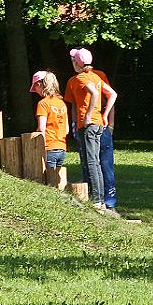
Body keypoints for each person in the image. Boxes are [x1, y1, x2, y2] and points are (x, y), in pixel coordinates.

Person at [63, 48, 117, 214]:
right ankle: (99, 200)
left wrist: (88, 115)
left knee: (92, 162)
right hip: (97, 123)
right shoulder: (95, 76)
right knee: (94, 161)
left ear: (76, 63)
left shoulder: (80, 78)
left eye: (73, 60)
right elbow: (113, 94)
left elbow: (94, 93)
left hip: (89, 125)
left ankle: (98, 201)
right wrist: (104, 115)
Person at [29, 70, 68, 170]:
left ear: (39, 84)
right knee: (57, 176)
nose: (36, 91)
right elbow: (67, 129)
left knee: (49, 177)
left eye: (35, 87)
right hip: (62, 148)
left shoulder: (43, 103)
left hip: (49, 147)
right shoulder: (62, 103)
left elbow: (42, 128)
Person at [92, 67, 117, 209]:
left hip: (103, 125)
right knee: (90, 163)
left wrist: (111, 125)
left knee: (106, 163)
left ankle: (110, 200)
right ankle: (93, 196)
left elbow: (110, 97)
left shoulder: (99, 75)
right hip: (86, 127)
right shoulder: (76, 79)